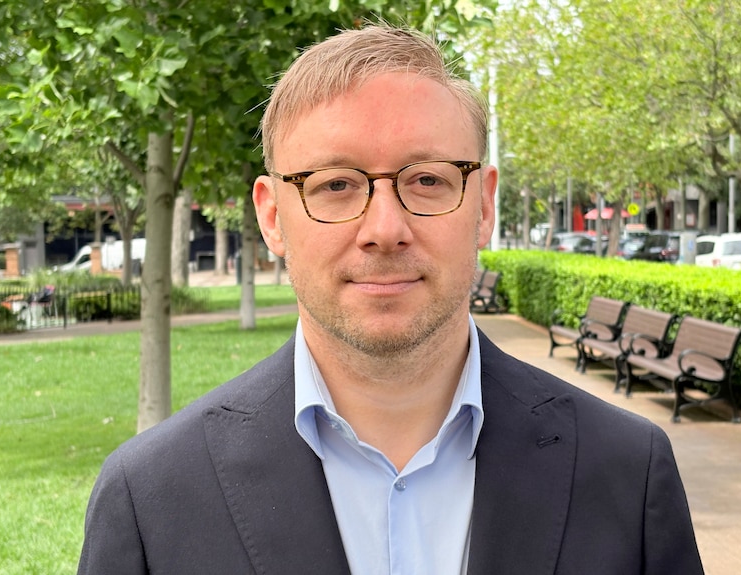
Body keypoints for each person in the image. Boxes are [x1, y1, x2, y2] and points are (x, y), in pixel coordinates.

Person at [78, 24, 703, 574]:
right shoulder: (150, 498)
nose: (384, 228)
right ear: (272, 218)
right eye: (335, 185)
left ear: (483, 206)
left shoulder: (626, 470)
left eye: (427, 179)